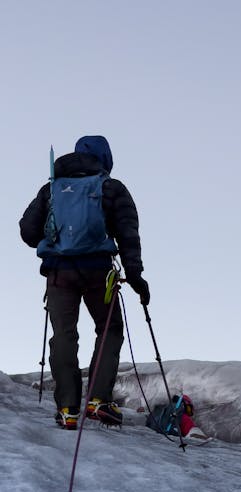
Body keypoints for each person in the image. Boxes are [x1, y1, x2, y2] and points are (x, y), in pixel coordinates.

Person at [19, 135, 150, 429]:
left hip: (58, 273)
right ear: (106, 158)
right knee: (109, 328)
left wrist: (55, 239)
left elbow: (28, 232)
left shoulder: (51, 188)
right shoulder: (111, 187)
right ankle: (98, 400)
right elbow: (128, 235)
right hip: (98, 272)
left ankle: (67, 408)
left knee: (64, 335)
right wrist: (136, 276)